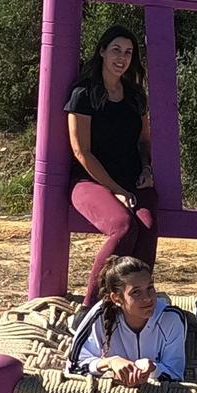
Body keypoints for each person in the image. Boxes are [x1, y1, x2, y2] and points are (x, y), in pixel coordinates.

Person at [66, 25, 157, 307]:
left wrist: (145, 168)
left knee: (148, 225)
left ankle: (135, 305)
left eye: (128, 52)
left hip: (132, 180)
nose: (122, 57)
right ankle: (93, 306)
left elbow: (144, 141)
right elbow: (82, 152)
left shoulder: (134, 96)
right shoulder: (83, 95)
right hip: (90, 181)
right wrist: (114, 189)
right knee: (123, 226)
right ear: (102, 51)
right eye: (116, 50)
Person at [66, 255, 185, 387]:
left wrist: (153, 368)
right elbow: (73, 367)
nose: (147, 298)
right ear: (116, 298)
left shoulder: (171, 318)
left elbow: (176, 374)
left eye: (150, 288)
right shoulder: (100, 315)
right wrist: (111, 362)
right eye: (136, 292)